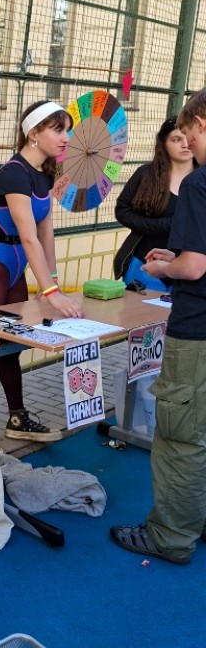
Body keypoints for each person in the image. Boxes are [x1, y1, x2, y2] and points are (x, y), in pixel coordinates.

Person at [111, 90, 206, 565]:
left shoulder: (199, 184)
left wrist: (166, 266)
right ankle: (196, 519)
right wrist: (178, 256)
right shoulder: (155, 177)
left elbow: (194, 267)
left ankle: (170, 535)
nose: (188, 143)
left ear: (201, 123)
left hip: (197, 326)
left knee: (180, 437)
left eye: (189, 133)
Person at [0, 100, 84, 441]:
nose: (66, 137)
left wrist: (52, 283)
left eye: (68, 130)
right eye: (58, 129)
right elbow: (28, 237)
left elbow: (45, 232)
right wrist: (52, 294)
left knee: (11, 346)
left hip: (17, 271)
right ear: (33, 134)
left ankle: (17, 419)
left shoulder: (44, 175)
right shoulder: (14, 173)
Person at [113, 116, 195, 291]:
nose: (185, 144)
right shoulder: (146, 174)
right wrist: (160, 226)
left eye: (188, 137)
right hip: (144, 262)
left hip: (187, 267)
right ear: (163, 143)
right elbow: (122, 210)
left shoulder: (201, 179)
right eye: (176, 139)